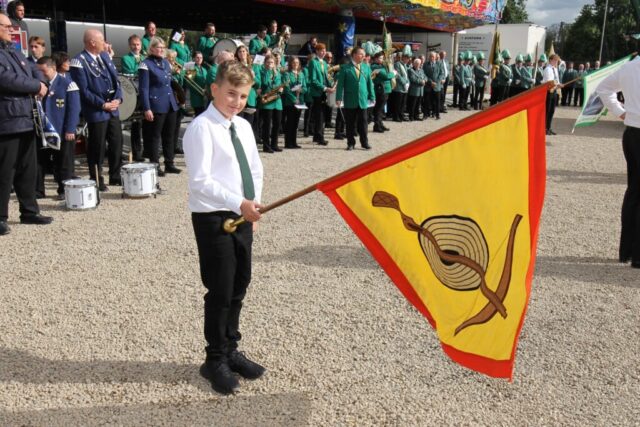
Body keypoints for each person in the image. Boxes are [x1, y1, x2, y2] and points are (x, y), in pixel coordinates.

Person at [183, 60, 265, 395]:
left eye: (243, 96)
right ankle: (214, 358)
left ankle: (231, 349)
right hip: (214, 217)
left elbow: (255, 169)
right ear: (215, 89)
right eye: (231, 93)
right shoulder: (202, 128)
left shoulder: (242, 126)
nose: (237, 101)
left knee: (239, 284)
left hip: (242, 214)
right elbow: (200, 181)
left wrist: (253, 206)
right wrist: (239, 203)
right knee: (220, 287)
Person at [0, 12, 52, 236]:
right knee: (4, 171)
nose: (11, 30)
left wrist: (39, 83)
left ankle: (29, 211)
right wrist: (35, 86)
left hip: (26, 119)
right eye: (6, 26)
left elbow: (35, 71)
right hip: (7, 120)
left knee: (27, 168)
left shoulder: (14, 51)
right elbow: (5, 79)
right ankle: (1, 217)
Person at [596, 56, 640, 268]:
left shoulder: (628, 67)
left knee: (634, 191)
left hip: (632, 133)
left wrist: (620, 112)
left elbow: (603, 88)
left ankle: (627, 251)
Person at [70, 28, 123, 190]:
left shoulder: (104, 56)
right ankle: (97, 177)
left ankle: (115, 175)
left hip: (112, 108)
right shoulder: (79, 61)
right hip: (97, 110)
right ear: (92, 42)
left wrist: (118, 98)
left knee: (116, 142)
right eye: (102, 40)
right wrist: (102, 104)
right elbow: (83, 90)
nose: (105, 43)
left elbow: (116, 80)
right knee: (97, 146)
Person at [35, 56, 81, 200]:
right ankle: (38, 190)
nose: (41, 74)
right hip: (43, 131)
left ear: (53, 68)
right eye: (39, 71)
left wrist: (70, 129)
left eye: (44, 71)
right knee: (39, 162)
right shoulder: (40, 84)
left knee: (63, 162)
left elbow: (74, 109)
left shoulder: (68, 84)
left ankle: (63, 190)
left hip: (61, 130)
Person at [138, 37, 181, 176]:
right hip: (156, 104)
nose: (162, 50)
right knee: (155, 137)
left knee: (169, 135)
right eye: (159, 47)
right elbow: (143, 88)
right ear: (151, 49)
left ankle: (169, 163)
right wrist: (146, 108)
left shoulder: (166, 63)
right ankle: (155, 165)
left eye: (163, 47)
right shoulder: (145, 64)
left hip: (170, 103)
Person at [335, 46, 374, 151]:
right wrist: (338, 98)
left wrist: (372, 96)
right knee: (350, 123)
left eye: (364, 54)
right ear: (354, 55)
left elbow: (370, 83)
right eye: (361, 54)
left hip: (363, 100)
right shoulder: (345, 68)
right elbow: (340, 85)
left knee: (363, 123)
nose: (363, 56)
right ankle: (350, 143)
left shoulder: (366, 67)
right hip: (350, 99)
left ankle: (364, 143)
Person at [120, 34, 145, 161]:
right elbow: (131, 72)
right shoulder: (126, 58)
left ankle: (146, 150)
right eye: (134, 44)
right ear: (130, 45)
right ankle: (137, 152)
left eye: (138, 44)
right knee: (136, 124)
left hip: (145, 92)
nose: (136, 47)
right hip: (134, 93)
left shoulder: (145, 57)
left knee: (146, 125)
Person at [308, 42, 334, 145]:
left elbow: (326, 78)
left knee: (322, 115)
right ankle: (319, 137)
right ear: (317, 51)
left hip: (324, 92)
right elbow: (313, 80)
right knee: (319, 116)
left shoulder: (324, 63)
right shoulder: (313, 62)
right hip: (317, 92)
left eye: (324, 50)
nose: (323, 52)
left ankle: (316, 136)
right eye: (321, 51)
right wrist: (325, 88)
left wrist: (332, 85)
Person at [257, 54, 283, 153]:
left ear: (275, 63)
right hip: (267, 101)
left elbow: (279, 83)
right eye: (268, 62)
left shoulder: (277, 73)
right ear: (264, 63)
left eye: (271, 62)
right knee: (267, 125)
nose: (269, 64)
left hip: (277, 101)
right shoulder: (263, 72)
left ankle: (274, 144)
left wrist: (280, 89)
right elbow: (265, 83)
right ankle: (266, 146)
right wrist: (274, 86)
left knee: (277, 123)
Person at [235, 44, 261, 137]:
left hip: (250, 98)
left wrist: (253, 77)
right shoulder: (236, 66)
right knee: (239, 122)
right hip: (239, 97)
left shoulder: (254, 66)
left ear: (247, 53)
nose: (242, 53)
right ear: (237, 54)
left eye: (243, 51)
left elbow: (259, 83)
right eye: (240, 52)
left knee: (249, 123)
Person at [282, 56, 306, 149]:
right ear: (290, 63)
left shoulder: (301, 74)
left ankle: (294, 142)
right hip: (290, 102)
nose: (296, 64)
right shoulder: (287, 74)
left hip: (300, 101)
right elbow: (286, 89)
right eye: (294, 62)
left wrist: (301, 90)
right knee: (290, 122)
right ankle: (288, 143)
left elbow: (305, 87)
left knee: (296, 122)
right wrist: (294, 99)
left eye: (297, 62)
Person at [371, 51, 394, 132]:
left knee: (381, 109)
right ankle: (377, 125)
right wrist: (393, 73)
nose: (382, 60)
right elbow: (386, 76)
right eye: (381, 58)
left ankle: (380, 123)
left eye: (383, 58)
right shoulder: (375, 67)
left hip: (385, 89)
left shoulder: (382, 66)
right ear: (376, 59)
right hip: (380, 89)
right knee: (378, 108)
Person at [541, 54, 563, 136]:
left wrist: (559, 85)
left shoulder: (555, 69)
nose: (556, 62)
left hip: (554, 91)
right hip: (548, 91)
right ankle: (544, 128)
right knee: (547, 110)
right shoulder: (547, 69)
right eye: (555, 60)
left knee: (552, 111)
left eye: (557, 60)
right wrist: (557, 84)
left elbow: (556, 80)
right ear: (550, 60)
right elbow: (549, 81)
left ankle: (548, 128)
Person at [423, 51, 444, 119]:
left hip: (437, 86)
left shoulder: (439, 64)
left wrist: (437, 82)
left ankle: (437, 114)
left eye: (433, 56)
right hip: (428, 85)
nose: (431, 58)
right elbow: (424, 74)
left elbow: (442, 73)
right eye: (430, 56)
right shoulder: (425, 64)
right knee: (427, 101)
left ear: (435, 57)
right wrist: (430, 82)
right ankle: (426, 114)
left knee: (437, 101)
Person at [390, 52, 409, 122]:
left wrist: (407, 83)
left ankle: (401, 115)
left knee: (402, 104)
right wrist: (404, 82)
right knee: (398, 103)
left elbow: (406, 75)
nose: (407, 60)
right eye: (406, 58)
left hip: (404, 88)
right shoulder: (397, 64)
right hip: (399, 87)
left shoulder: (404, 65)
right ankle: (396, 116)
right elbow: (397, 75)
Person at [189, 51, 209, 117]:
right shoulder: (191, 67)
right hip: (196, 97)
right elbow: (189, 83)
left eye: (201, 57)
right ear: (193, 58)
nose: (199, 59)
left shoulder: (204, 69)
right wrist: (200, 91)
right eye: (197, 57)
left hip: (205, 97)